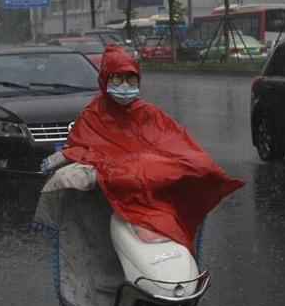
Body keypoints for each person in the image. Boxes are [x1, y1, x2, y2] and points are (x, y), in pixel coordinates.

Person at [40, 44, 244, 254]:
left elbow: (174, 142)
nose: (125, 85)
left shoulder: (148, 112)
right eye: (117, 78)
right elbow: (80, 146)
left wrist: (200, 165)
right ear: (105, 79)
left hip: (152, 183)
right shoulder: (92, 115)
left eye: (131, 78)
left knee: (193, 168)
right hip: (116, 192)